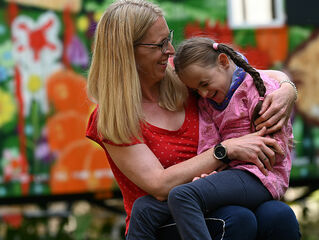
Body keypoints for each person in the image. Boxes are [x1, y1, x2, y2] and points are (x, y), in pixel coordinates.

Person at [85, 0, 300, 239]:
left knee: (277, 214)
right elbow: (159, 185)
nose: (171, 50)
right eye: (160, 44)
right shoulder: (113, 116)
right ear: (127, 52)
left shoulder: (184, 78)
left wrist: (287, 90)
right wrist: (224, 151)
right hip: (165, 218)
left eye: (169, 38)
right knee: (238, 219)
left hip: (214, 196)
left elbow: (246, 76)